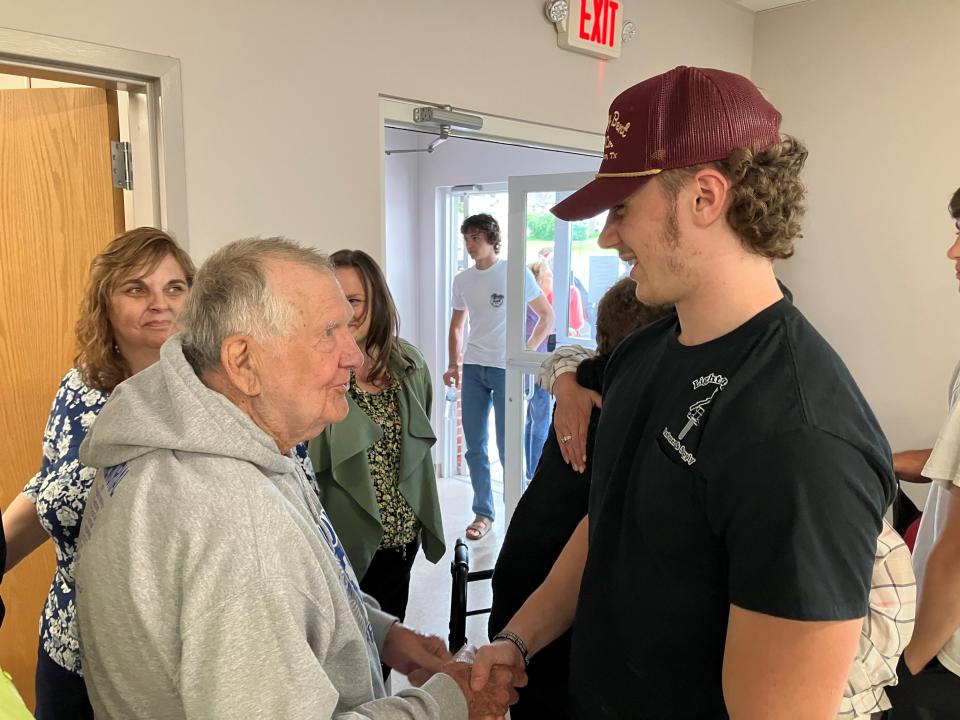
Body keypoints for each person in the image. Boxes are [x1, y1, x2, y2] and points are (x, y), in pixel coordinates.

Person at [470, 65, 895, 719]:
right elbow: (605, 525)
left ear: (704, 197)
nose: (609, 236)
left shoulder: (801, 437)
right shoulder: (643, 354)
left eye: (622, 209)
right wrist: (519, 642)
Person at [73, 238, 522, 720]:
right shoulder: (236, 519)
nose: (352, 355)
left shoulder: (206, 431)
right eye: (329, 332)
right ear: (243, 361)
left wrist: (381, 632)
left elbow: (288, 597)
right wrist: (448, 704)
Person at [1, 228, 195, 720]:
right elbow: (52, 486)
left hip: (164, 666)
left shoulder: (217, 397)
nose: (160, 303)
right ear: (105, 302)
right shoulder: (81, 387)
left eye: (175, 287)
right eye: (137, 288)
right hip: (71, 646)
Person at [489, 277, 672, 718]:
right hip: (558, 601)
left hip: (520, 572)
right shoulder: (639, 396)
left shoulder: (585, 378)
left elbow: (566, 352)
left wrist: (565, 378)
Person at [308, 249, 444, 628]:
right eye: (334, 301)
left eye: (353, 301)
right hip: (342, 549)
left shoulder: (410, 365)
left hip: (401, 542)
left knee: (387, 650)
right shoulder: (316, 375)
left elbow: (416, 446)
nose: (345, 314)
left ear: (378, 303)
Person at [886, 188, 960, 718]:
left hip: (947, 651)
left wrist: (905, 666)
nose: (953, 253)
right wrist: (887, 459)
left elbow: (957, 561)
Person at [442, 215, 553, 540]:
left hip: (506, 369)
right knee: (475, 447)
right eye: (466, 238)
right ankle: (483, 513)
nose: (470, 244)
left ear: (492, 239)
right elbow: (456, 327)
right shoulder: (462, 280)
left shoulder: (514, 273)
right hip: (474, 367)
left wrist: (525, 349)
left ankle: (518, 510)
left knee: (509, 446)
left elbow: (547, 316)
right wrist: (452, 364)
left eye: (476, 237)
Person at [522, 259, 554, 481]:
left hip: (527, 372)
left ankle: (529, 472)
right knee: (540, 423)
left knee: (531, 421)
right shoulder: (537, 307)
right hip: (537, 368)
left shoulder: (524, 303)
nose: (551, 280)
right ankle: (536, 474)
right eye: (549, 276)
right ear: (540, 280)